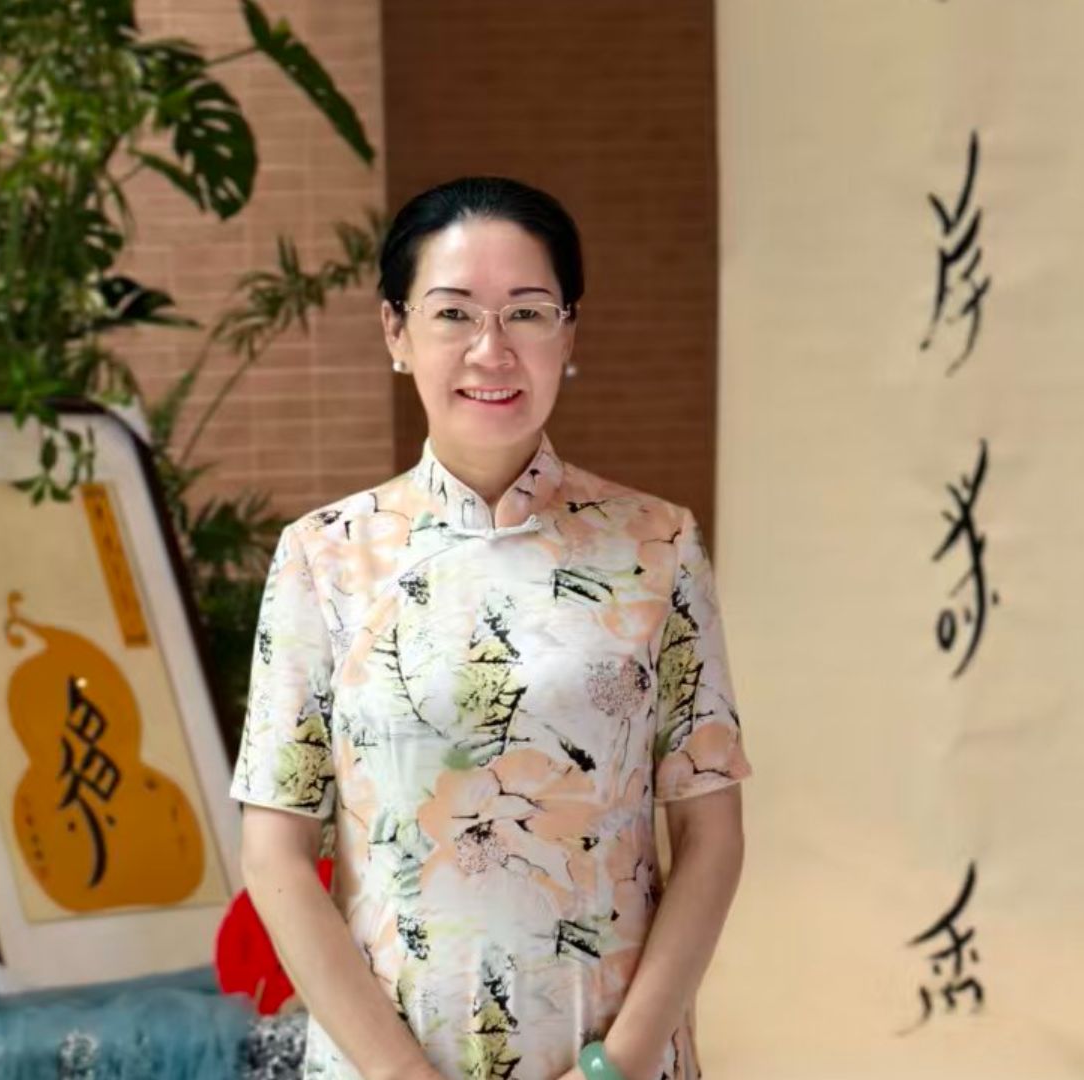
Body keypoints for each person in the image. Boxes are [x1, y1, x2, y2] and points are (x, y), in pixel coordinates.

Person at [230, 177, 752, 1080]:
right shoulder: (324, 556)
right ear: (396, 331)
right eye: (453, 313)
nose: (491, 349)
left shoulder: (658, 545)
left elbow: (711, 837)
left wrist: (617, 1065)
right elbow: (274, 853)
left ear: (569, 333)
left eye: (527, 312)